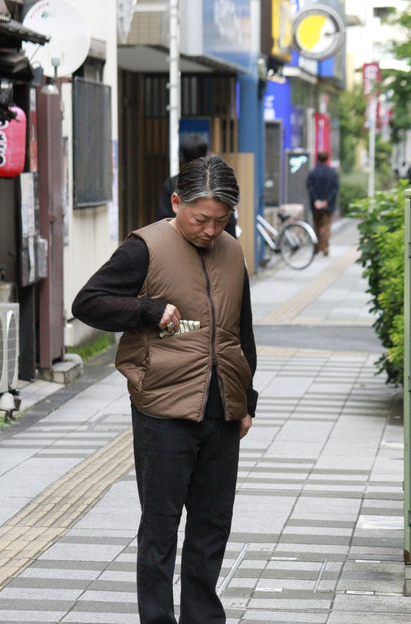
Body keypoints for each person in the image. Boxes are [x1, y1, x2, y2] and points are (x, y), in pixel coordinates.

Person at [72, 155, 258, 624]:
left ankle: (202, 618)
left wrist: (247, 401)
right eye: (200, 219)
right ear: (177, 202)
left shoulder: (233, 252)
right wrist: (147, 310)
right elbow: (87, 303)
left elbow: (242, 331)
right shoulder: (144, 249)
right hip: (162, 408)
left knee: (212, 526)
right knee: (160, 527)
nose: (210, 230)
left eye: (221, 220)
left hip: (222, 408)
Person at [157, 133, 237, 238]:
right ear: (206, 154)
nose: (210, 231)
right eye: (200, 220)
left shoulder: (172, 183)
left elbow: (163, 218)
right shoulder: (217, 184)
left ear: (182, 155)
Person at [306, 151, 339, 256]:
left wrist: (317, 200)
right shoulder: (333, 173)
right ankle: (324, 248)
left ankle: (316, 247)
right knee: (326, 227)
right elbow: (335, 189)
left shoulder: (313, 173)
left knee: (316, 226)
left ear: (317, 159)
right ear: (327, 159)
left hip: (315, 206)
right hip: (328, 206)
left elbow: (310, 188)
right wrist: (326, 201)